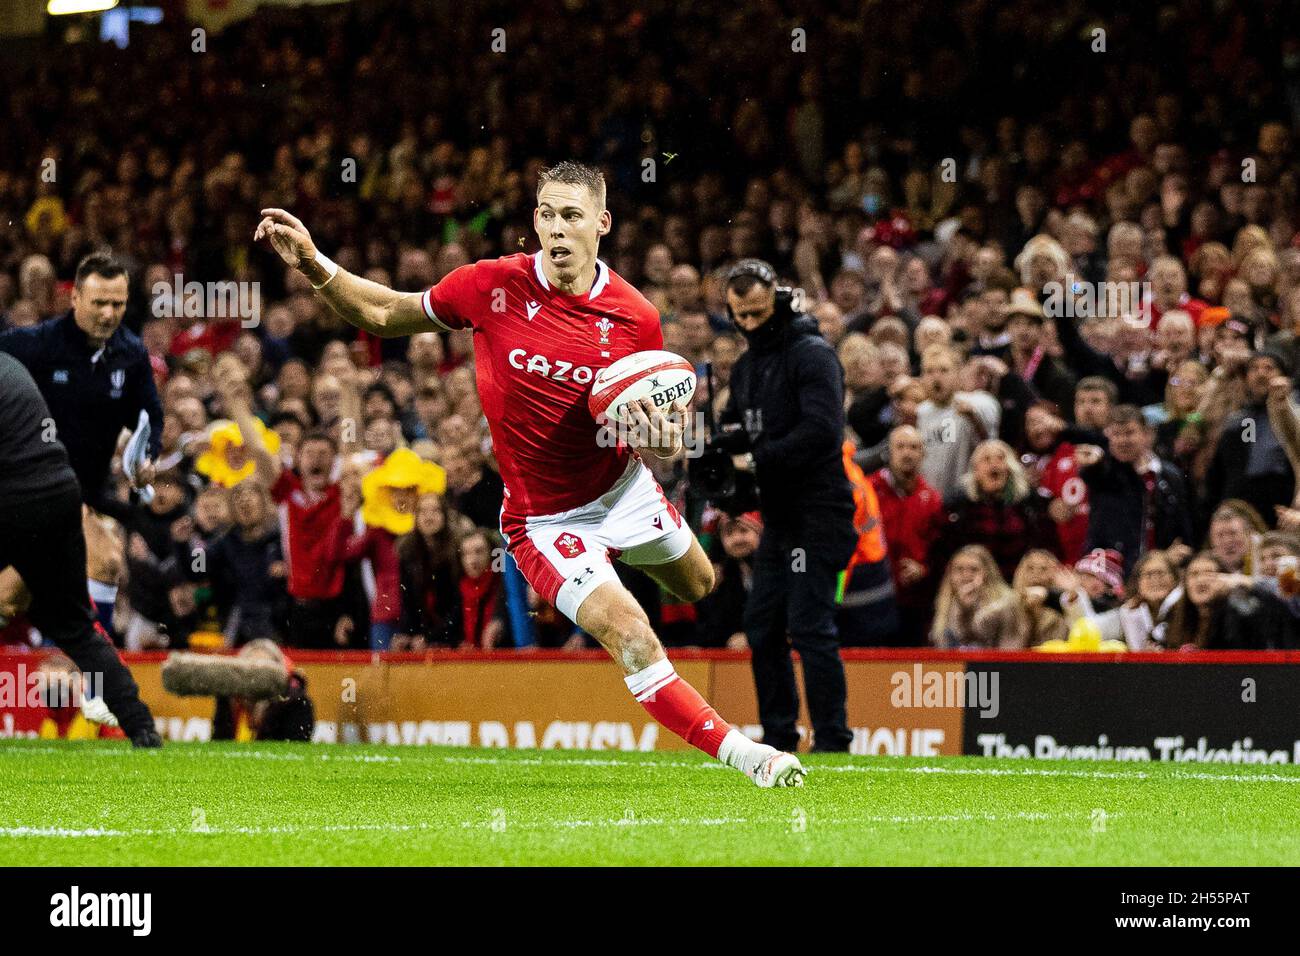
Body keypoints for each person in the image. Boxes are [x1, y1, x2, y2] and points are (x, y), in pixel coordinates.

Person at [254, 162, 805, 787]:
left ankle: (610, 566)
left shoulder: (636, 319)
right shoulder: (491, 286)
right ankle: (747, 755)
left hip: (622, 489)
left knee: (698, 584)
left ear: (602, 223)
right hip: (544, 520)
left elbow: (663, 427)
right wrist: (312, 263)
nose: (556, 228)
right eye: (546, 214)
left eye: (572, 215)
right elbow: (384, 313)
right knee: (630, 632)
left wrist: (668, 439)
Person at [717, 257, 859, 754]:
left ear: (777, 299)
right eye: (742, 317)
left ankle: (833, 739)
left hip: (820, 511)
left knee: (809, 624)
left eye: (758, 313)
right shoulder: (747, 367)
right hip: (780, 516)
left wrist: (752, 461)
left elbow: (822, 432)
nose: (751, 325)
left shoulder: (812, 354)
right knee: (762, 624)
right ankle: (779, 735)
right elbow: (733, 426)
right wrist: (719, 450)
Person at [0, 352, 161, 746]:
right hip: (59, 494)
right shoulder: (11, 365)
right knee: (76, 626)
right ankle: (141, 728)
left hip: (17, 498)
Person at [1075, 404, 1196, 574]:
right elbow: (1092, 472)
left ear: (1147, 434)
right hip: (1110, 572)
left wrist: (1179, 553)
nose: (1122, 440)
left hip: (1159, 571)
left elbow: (1184, 527)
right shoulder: (1104, 470)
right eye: (1116, 434)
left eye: (1129, 433)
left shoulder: (1171, 475)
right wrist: (1094, 462)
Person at [929, 545, 1028, 649]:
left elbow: (1011, 649)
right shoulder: (946, 603)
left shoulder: (1007, 603)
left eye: (974, 569)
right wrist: (963, 608)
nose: (966, 576)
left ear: (987, 573)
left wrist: (967, 611)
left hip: (996, 663)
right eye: (959, 569)